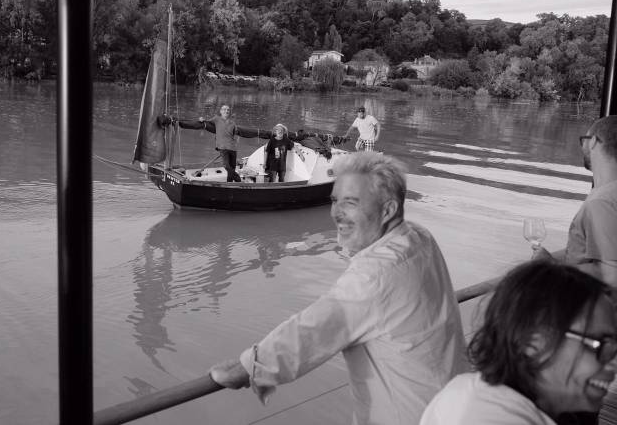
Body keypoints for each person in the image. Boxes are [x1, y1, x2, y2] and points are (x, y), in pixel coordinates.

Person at [209, 152, 467, 425]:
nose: (336, 214)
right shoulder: (419, 237)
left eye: (351, 203)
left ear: (388, 210)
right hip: (454, 406)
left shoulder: (375, 274)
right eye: (335, 200)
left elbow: (312, 329)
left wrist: (245, 368)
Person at [420, 259, 616, 425]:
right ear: (533, 341)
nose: (614, 363)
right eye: (600, 344)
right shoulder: (489, 418)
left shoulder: (466, 389)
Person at [534, 116, 617, 288]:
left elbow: (611, 277)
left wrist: (552, 267)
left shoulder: (601, 202)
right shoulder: (608, 193)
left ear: (593, 142)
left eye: (584, 140)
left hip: (596, 309)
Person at [199, 104, 241, 182]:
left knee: (232, 168)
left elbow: (235, 134)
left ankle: (229, 184)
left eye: (228, 110)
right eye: (224, 109)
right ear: (221, 111)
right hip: (223, 147)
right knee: (226, 166)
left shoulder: (233, 123)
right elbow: (206, 121)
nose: (226, 111)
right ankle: (238, 179)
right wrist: (202, 119)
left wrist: (236, 139)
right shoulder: (216, 119)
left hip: (233, 148)